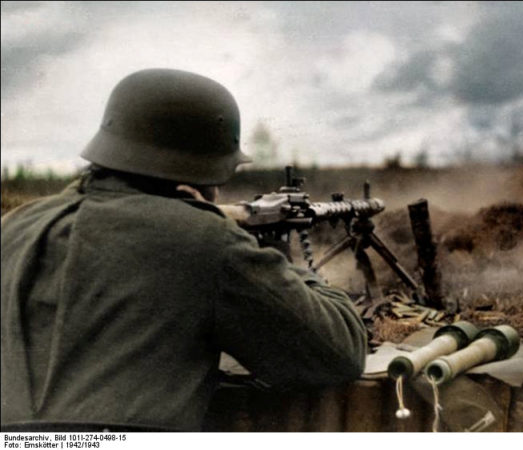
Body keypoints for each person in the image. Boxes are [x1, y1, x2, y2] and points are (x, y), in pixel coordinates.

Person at [1, 69, 367, 432]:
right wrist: (275, 255)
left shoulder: (16, 225)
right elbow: (338, 353)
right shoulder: (205, 239)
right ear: (200, 174)